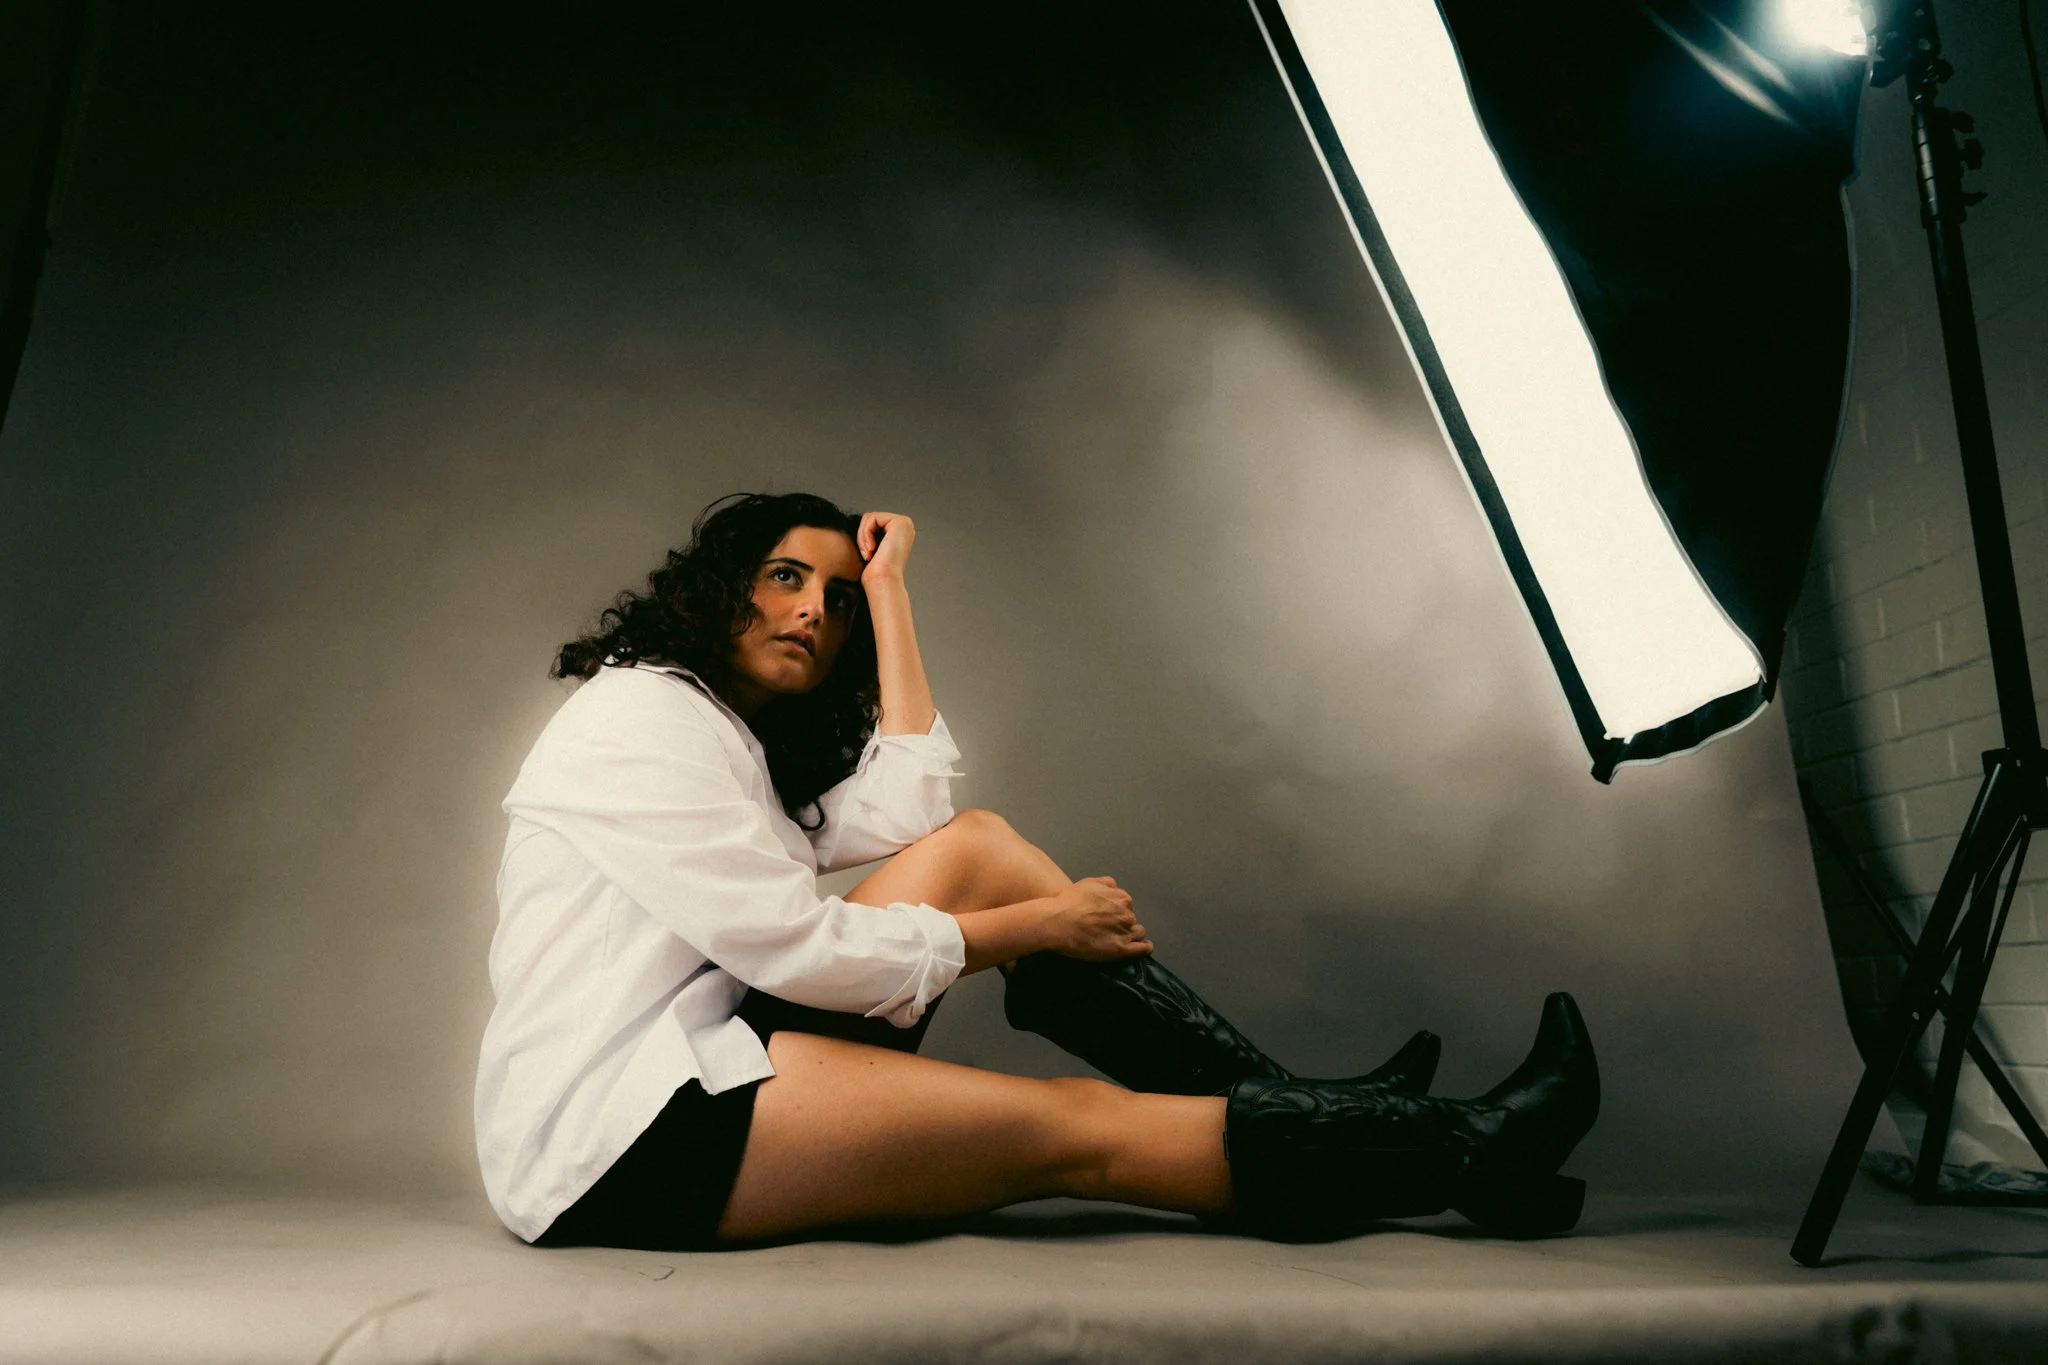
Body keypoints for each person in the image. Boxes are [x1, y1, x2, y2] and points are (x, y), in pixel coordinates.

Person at [474, 492, 1599, 1251]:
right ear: (720, 586)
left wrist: (892, 590)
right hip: (617, 1136)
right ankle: (1462, 1149)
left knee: (976, 847)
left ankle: (1314, 1112)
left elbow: (918, 803)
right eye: (781, 577)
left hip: (712, 1057)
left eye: (833, 595)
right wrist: (1039, 930)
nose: (812, 609)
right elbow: (795, 949)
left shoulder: (724, 735)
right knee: (1075, 1125)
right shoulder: (640, 720)